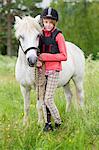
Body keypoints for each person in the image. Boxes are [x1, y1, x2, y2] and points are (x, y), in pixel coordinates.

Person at [36, 7, 67, 131]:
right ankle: (47, 123)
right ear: (43, 21)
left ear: (54, 23)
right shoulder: (40, 35)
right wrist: (38, 60)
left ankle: (58, 122)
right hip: (42, 71)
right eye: (46, 22)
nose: (48, 25)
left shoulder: (59, 36)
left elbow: (64, 56)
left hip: (54, 70)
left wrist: (45, 57)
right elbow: (37, 51)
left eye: (51, 22)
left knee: (48, 99)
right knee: (42, 99)